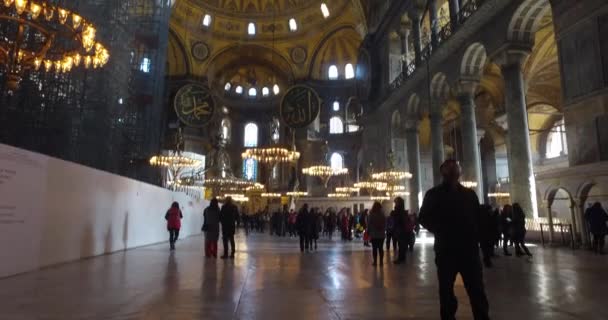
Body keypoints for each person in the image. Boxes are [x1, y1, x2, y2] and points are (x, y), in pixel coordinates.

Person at [419, 160, 490, 320]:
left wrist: (477, 236)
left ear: (459, 172)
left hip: (469, 250)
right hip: (446, 250)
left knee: (477, 290)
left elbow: (477, 218)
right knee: (446, 291)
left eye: (456, 167)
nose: (453, 170)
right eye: (449, 167)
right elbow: (423, 218)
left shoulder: (469, 194)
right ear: (442, 172)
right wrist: (441, 229)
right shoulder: (433, 194)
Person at [391, 197, 410, 264]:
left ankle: (401, 258)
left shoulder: (398, 211)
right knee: (401, 244)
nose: (394, 203)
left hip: (400, 229)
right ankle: (402, 258)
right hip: (401, 229)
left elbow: (398, 220)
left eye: (395, 202)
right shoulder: (402, 211)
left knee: (401, 244)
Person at [368, 201, 386, 266]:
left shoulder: (371, 214)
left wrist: (368, 231)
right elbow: (384, 224)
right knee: (381, 248)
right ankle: (381, 262)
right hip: (381, 234)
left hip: (374, 234)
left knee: (374, 248)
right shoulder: (382, 214)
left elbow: (369, 224)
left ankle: (375, 262)